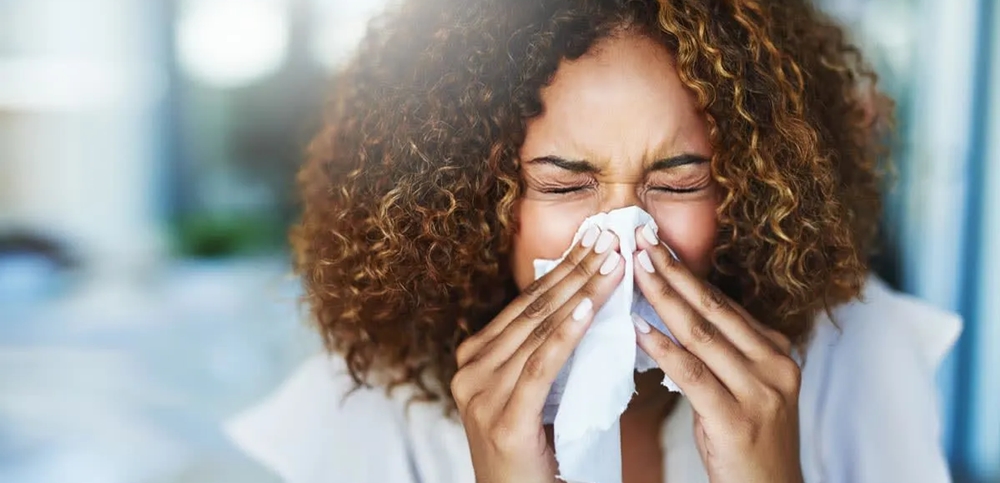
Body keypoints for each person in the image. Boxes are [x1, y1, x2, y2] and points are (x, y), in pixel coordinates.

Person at [225, 1, 962, 482]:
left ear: (749, 193)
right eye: (564, 183)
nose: (623, 240)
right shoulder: (363, 420)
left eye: (677, 183)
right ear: (476, 202)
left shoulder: (859, 357)